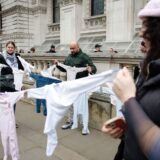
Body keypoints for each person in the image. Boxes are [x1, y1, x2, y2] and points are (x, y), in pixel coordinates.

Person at [102, 0, 160, 159]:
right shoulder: (149, 68)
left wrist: (128, 100)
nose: (141, 33)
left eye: (146, 26)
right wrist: (125, 124)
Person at [54, 41, 97, 133]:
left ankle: (83, 124)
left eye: (73, 48)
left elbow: (93, 67)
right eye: (70, 48)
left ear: (78, 47)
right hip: (70, 85)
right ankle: (70, 121)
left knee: (82, 105)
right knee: (70, 104)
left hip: (81, 85)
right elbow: (64, 68)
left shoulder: (84, 57)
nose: (71, 50)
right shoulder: (69, 57)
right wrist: (58, 64)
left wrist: (90, 69)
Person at [1, 41, 24, 128]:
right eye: (9, 47)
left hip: (14, 83)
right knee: (5, 102)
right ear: (6, 48)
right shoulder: (2, 57)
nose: (10, 49)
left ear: (14, 48)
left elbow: (21, 68)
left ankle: (11, 121)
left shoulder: (17, 57)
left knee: (13, 102)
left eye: (12, 47)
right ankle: (4, 121)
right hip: (4, 83)